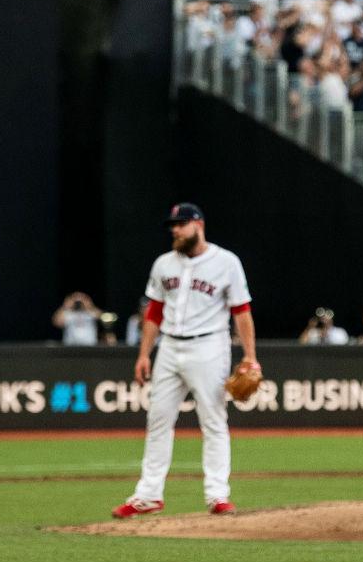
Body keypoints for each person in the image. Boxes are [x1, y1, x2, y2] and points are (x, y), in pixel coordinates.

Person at [113, 203, 257, 519]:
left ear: (198, 225)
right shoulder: (164, 263)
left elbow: (241, 311)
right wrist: (144, 354)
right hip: (168, 347)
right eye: (172, 226)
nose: (175, 230)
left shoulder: (226, 262)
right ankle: (148, 495)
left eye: (181, 224)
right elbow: (154, 311)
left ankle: (218, 495)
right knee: (158, 419)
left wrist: (250, 357)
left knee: (213, 420)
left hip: (209, 346)